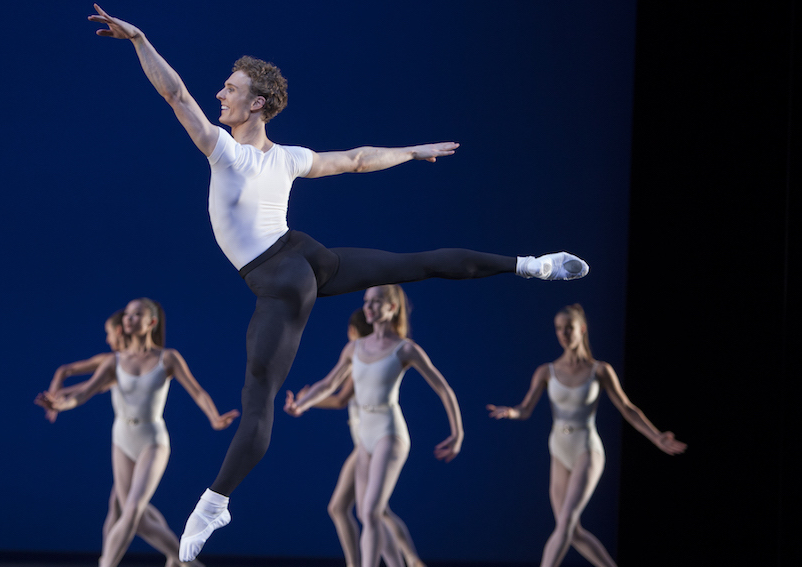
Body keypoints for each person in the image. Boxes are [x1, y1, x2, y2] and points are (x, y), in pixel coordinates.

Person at [86, 6, 589, 560]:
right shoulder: (288, 158)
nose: (218, 95)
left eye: (230, 89)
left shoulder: (225, 153)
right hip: (305, 256)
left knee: (260, 402)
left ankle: (214, 503)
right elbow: (353, 159)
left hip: (280, 278)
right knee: (411, 264)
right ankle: (533, 265)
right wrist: (411, 152)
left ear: (257, 102)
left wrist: (139, 39)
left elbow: (175, 93)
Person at [36, 298, 240, 567]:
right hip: (121, 439)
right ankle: (183, 561)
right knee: (138, 518)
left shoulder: (167, 358)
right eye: (128, 315)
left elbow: (197, 391)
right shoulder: (113, 361)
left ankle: (108, 564)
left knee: (131, 512)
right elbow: (83, 393)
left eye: (137, 315)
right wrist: (60, 404)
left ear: (151, 323)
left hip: (152, 441)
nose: (129, 319)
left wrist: (214, 417)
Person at [486, 304, 686, 567]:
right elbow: (525, 410)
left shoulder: (600, 370)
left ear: (581, 329)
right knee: (571, 530)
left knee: (567, 522)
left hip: (587, 449)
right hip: (558, 448)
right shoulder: (546, 371)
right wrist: (511, 412)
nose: (563, 334)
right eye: (558, 328)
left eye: (568, 328)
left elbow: (628, 408)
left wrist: (657, 436)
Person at [285, 286, 462, 567]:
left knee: (370, 512)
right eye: (366, 301)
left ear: (392, 308)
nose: (368, 306)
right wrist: (302, 404)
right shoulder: (354, 347)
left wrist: (458, 433)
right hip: (363, 435)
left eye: (376, 301)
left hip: (389, 432)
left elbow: (444, 389)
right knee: (369, 514)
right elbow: (329, 383)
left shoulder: (405, 349)